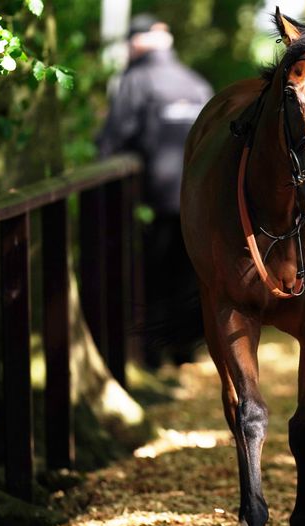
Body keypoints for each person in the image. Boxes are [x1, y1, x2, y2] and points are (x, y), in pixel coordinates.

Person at [96, 13, 213, 367]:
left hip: (154, 199)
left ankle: (149, 355)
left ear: (136, 42)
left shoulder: (135, 81)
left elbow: (112, 141)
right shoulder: (196, 84)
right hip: (200, 200)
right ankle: (184, 351)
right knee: (189, 272)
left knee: (151, 275)